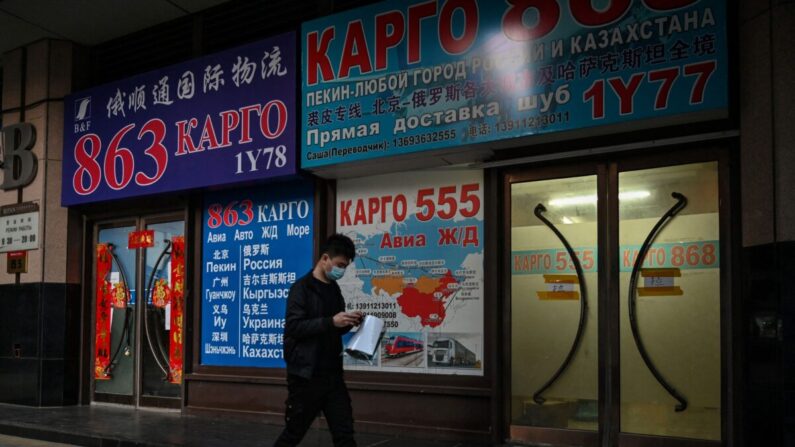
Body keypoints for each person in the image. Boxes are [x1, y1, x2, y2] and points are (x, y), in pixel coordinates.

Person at [274, 234, 363, 447]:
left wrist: (350, 322)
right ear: (325, 258)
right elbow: (294, 327)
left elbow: (333, 328)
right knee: (293, 433)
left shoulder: (334, 289)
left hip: (333, 376)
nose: (342, 270)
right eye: (340, 265)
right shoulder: (301, 288)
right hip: (306, 377)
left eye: (345, 266)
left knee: (345, 434)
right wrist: (331, 322)